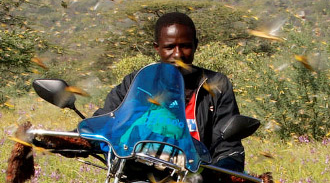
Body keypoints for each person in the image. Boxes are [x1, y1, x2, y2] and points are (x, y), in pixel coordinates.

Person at [94, 12, 245, 172]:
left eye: (185, 46)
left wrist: (226, 166)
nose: (178, 54)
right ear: (157, 48)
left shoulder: (216, 85)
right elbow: (107, 119)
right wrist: (78, 139)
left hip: (197, 179)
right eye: (169, 47)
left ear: (195, 45)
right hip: (140, 173)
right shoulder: (136, 83)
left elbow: (227, 143)